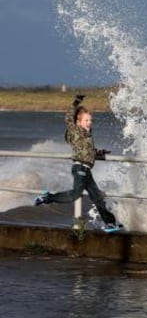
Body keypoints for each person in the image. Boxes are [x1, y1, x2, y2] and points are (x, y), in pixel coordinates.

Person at [34, 94, 124, 233]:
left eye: (90, 120)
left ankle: (110, 223)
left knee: (98, 198)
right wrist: (76, 102)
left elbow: (88, 151)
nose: (89, 122)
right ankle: (48, 197)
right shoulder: (76, 131)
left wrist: (99, 153)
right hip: (80, 168)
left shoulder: (87, 136)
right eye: (86, 120)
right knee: (74, 194)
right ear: (78, 122)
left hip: (87, 170)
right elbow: (68, 117)